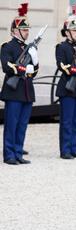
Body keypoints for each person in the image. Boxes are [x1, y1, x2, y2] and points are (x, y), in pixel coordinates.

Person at [1, 3, 38, 165]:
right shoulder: (7, 47)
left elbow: (34, 71)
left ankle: (18, 152)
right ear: (15, 31)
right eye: (24, 30)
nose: (27, 32)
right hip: (13, 91)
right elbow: (6, 66)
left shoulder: (29, 48)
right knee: (12, 124)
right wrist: (23, 69)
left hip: (27, 91)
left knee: (22, 125)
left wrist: (34, 62)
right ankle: (9, 154)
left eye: (27, 29)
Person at [55, 5, 76, 160]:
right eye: (74, 31)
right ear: (67, 32)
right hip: (67, 87)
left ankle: (74, 147)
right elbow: (63, 66)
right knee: (67, 121)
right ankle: (65, 150)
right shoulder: (61, 47)